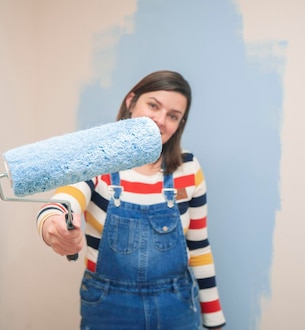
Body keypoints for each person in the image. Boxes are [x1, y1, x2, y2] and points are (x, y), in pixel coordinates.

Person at [35, 70, 226, 329]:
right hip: (108, 306)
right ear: (131, 102)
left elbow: (199, 247)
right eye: (153, 105)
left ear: (180, 124)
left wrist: (214, 321)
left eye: (173, 116)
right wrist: (53, 223)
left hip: (177, 306)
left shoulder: (189, 168)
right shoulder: (97, 158)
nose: (160, 120)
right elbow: (64, 200)